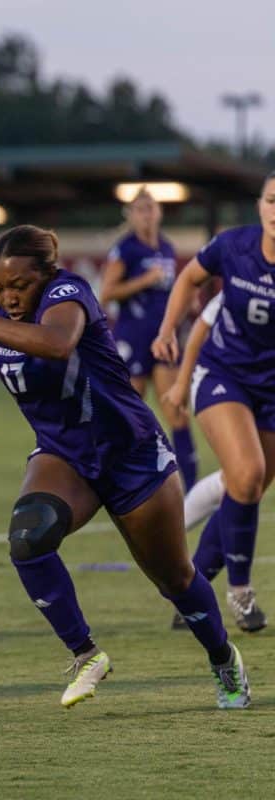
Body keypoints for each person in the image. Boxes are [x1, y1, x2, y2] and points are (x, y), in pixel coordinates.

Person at [0, 224, 249, 709]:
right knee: (28, 538)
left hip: (132, 453)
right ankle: (86, 654)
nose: (8, 297)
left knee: (175, 580)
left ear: (46, 275)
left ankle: (222, 658)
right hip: (65, 455)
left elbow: (58, 343)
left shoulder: (69, 293)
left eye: (19, 286)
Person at [152, 171, 275, 634]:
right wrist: (167, 333)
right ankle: (240, 594)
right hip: (224, 375)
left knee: (246, 488)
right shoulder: (234, 249)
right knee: (246, 475)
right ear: (260, 205)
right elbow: (190, 284)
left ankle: (193, 589)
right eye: (270, 200)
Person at [99, 187, 198, 489]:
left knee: (175, 409)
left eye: (151, 207)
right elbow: (106, 293)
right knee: (129, 411)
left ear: (159, 212)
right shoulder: (125, 249)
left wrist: (187, 302)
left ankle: (189, 486)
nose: (147, 213)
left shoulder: (166, 248)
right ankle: (115, 479)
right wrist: (144, 280)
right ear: (131, 215)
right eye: (140, 208)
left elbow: (173, 290)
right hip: (133, 336)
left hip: (163, 336)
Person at [160, 294, 227, 628]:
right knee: (241, 484)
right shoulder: (247, 263)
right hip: (235, 383)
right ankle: (194, 593)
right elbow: (203, 321)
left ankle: (191, 592)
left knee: (240, 484)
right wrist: (182, 383)